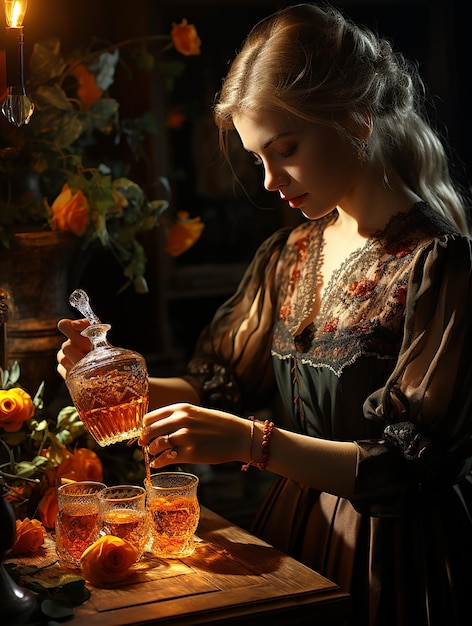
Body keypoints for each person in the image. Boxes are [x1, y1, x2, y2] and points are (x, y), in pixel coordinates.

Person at [57, 4, 472, 625]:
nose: (272, 179)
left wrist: (252, 442)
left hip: (400, 553)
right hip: (296, 534)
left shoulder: (439, 265)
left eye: (287, 149)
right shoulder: (289, 254)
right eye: (258, 158)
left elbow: (410, 469)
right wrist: (108, 382)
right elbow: (218, 387)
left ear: (355, 119)